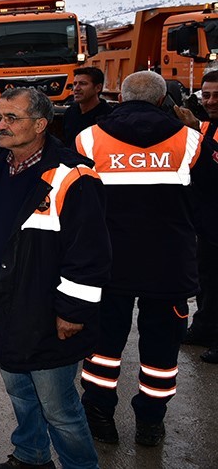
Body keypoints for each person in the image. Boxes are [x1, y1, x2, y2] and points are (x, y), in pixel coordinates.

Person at [0, 87, 110, 469]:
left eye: (12, 118)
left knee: (59, 406)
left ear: (41, 124)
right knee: (21, 393)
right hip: (5, 303)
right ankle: (31, 456)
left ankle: (81, 465)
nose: (1, 126)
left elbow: (89, 253)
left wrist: (73, 311)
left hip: (45, 310)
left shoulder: (71, 176)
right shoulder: (0, 165)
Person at [76, 70, 216, 447]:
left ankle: (99, 415)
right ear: (161, 100)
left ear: (120, 99)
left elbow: (74, 203)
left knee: (103, 346)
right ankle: (151, 423)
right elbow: (209, 198)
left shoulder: (89, 139)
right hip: (169, 266)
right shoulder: (191, 141)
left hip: (107, 264)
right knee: (161, 350)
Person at [177, 70, 218, 359]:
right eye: (206, 95)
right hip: (205, 220)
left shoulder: (203, 130)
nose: (211, 101)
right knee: (206, 277)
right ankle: (204, 326)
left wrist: (196, 134)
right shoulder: (206, 126)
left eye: (216, 95)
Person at [62, 67, 114, 147]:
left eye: (83, 83)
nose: (76, 88)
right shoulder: (70, 112)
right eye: (75, 84)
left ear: (98, 88)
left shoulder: (108, 117)